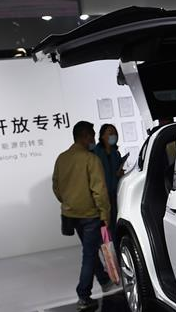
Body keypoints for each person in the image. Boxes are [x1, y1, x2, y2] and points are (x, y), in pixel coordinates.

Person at [52, 121, 117, 310]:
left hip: (71, 215)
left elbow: (56, 187)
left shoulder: (61, 158)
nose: (94, 139)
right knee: (89, 254)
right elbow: (99, 191)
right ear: (85, 136)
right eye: (92, 135)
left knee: (90, 250)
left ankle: (104, 280)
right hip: (90, 215)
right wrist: (105, 214)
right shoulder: (90, 159)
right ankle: (83, 295)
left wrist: (68, 202)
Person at [92, 124, 124, 231]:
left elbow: (115, 172)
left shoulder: (116, 153)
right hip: (101, 196)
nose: (113, 135)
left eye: (115, 133)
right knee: (104, 226)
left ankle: (115, 241)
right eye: (110, 133)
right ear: (102, 136)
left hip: (114, 194)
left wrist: (119, 174)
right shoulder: (95, 153)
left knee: (115, 222)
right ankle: (106, 242)